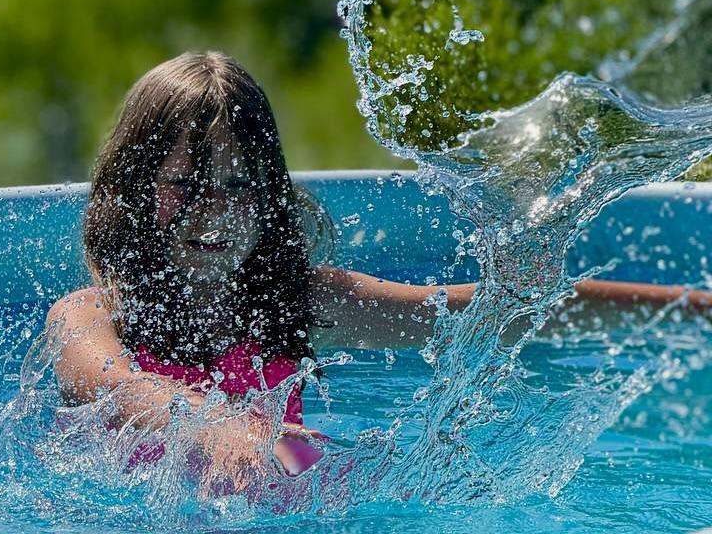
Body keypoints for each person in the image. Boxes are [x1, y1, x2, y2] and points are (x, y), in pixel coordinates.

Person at [43, 50, 709, 494]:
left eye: (239, 186)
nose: (214, 210)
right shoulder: (90, 317)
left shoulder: (299, 305)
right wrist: (216, 423)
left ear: (270, 197)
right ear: (133, 186)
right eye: (186, 184)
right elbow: (117, 388)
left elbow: (496, 316)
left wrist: (690, 307)